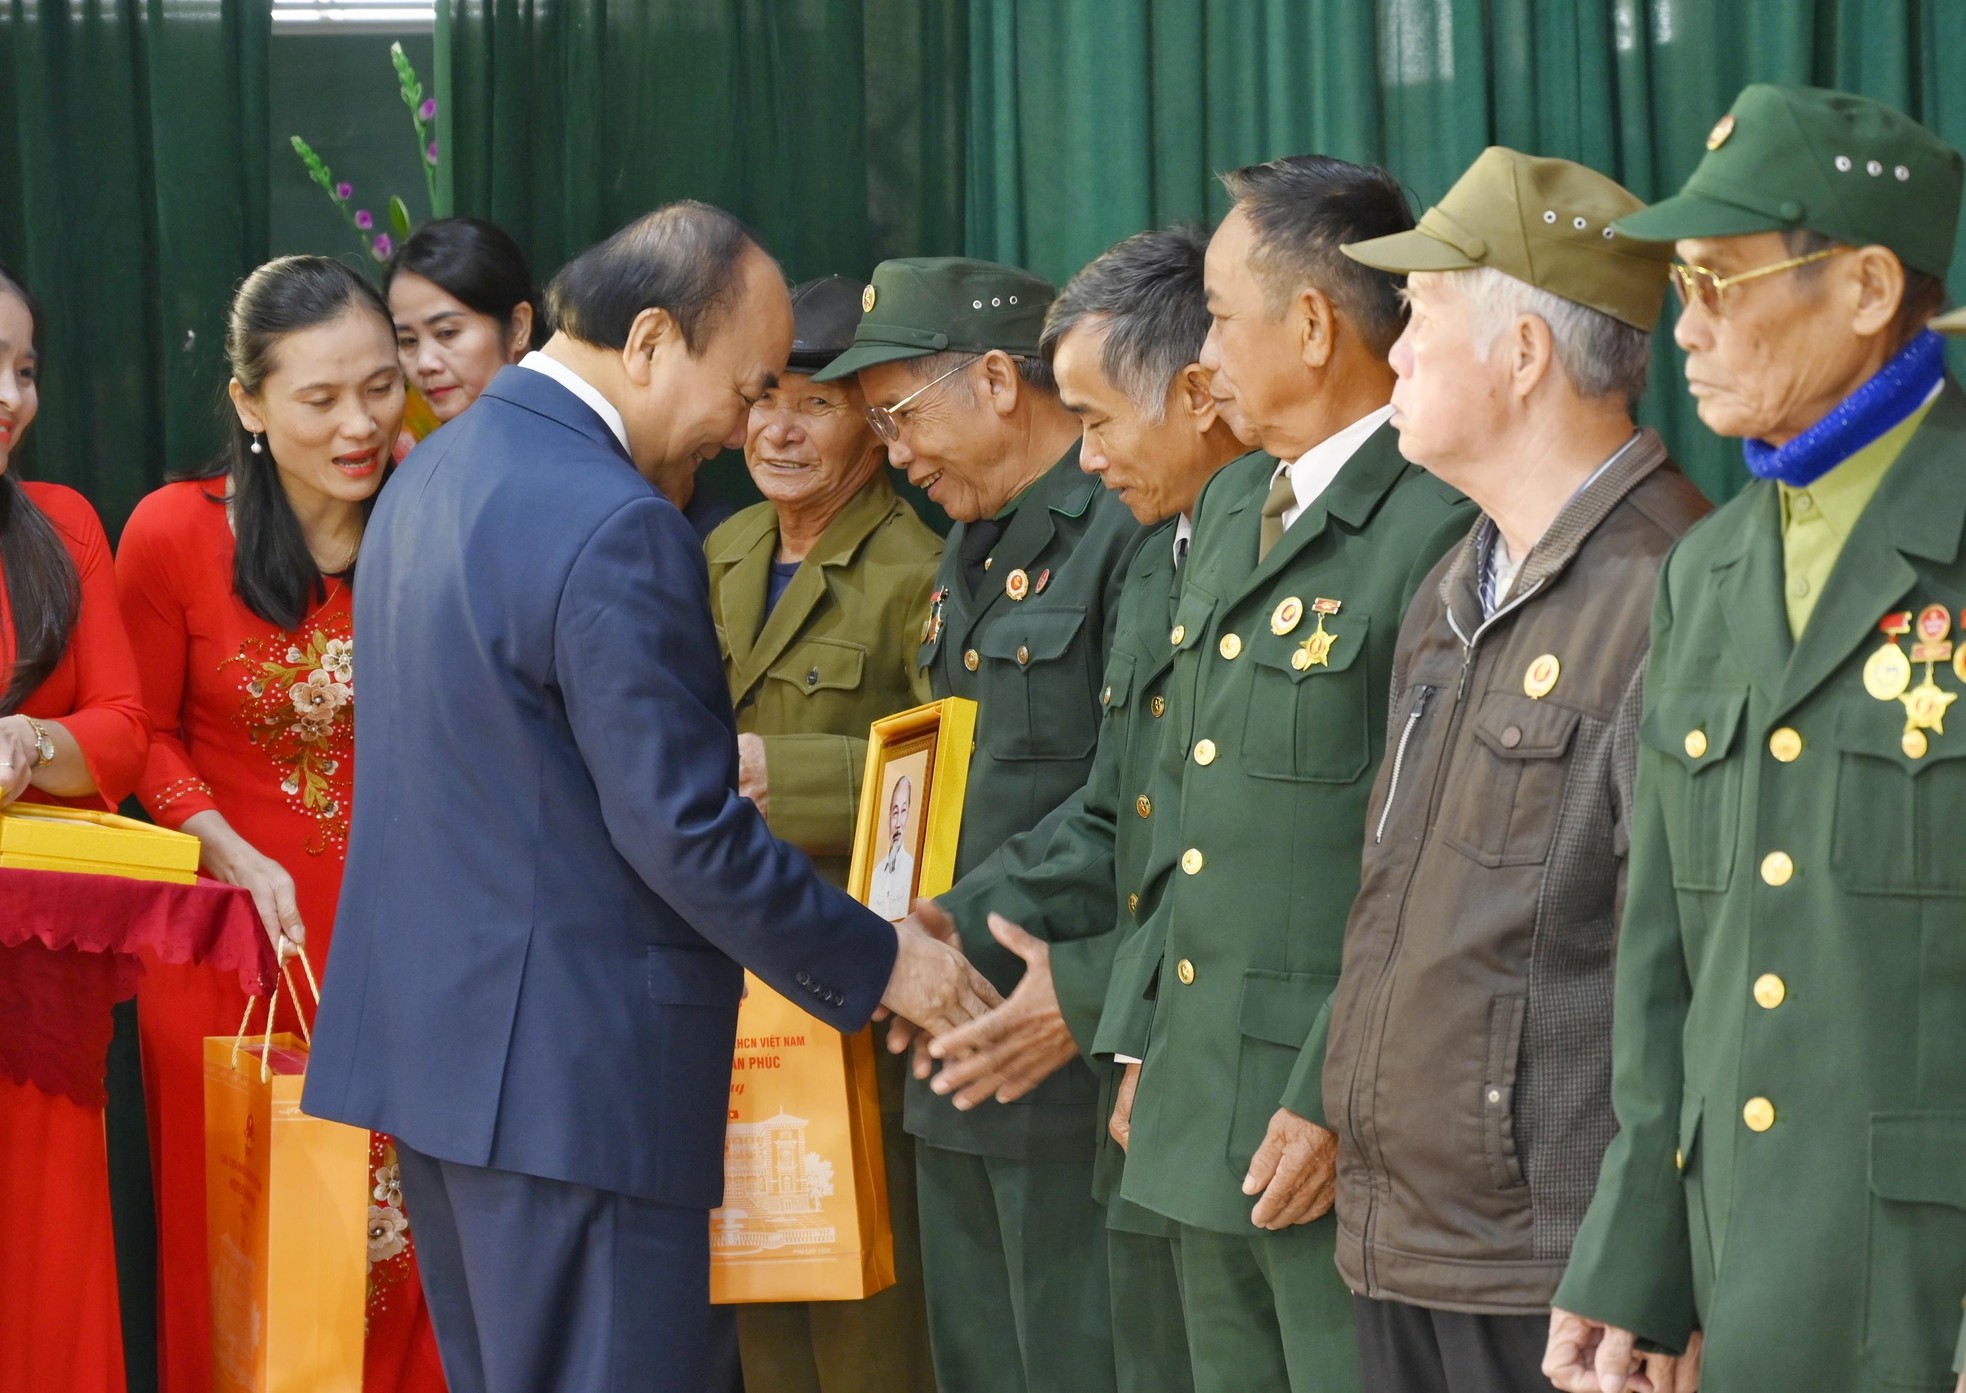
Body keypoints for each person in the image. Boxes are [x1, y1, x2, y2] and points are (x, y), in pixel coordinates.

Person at [301, 202, 998, 1393]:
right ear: (651, 342)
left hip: (444, 1069)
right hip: (578, 1086)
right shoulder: (619, 520)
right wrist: (883, 960)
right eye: (748, 384)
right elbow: (683, 824)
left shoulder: (436, 473)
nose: (745, 428)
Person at [1545, 85, 1966, 1393]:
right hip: (1744, 1274)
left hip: (1920, 1293)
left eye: (1721, 283)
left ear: (1863, 288)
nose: (1685, 328)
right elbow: (1670, 954)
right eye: (1679, 285)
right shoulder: (1711, 568)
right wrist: (1636, 1267)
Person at [1313, 148, 1709, 1393]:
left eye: (1419, 318)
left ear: (1524, 355)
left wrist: (1649, 1271)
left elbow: (1692, 977)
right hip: (1405, 1247)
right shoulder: (1451, 583)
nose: (1390, 359)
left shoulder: (1672, 594)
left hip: (1554, 1282)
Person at [1101, 156, 1473, 1393]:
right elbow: (1179, 805)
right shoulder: (1240, 508)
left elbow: (1424, 854)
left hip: (1328, 1120)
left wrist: (1327, 1095)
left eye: (1216, 310)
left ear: (1311, 324)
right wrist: (1142, 1034)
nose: (1200, 350)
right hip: (1205, 1090)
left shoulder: (1432, 523)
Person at [924, 226, 1248, 1393]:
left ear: (1201, 392)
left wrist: (1091, 984)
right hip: (1140, 1064)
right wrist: (943, 922)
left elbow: (1296, 859)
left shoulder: (1283, 553)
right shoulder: (1167, 553)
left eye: (1100, 421)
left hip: (1240, 1083)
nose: (1089, 458)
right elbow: (1116, 809)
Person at [814, 256, 1143, 1393]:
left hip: (1054, 1033)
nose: (894, 453)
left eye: (901, 416)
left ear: (999, 380)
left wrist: (955, 927)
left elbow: (1126, 798)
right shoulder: (971, 542)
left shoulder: (1122, 529)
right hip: (945, 1027)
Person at [115, 255, 444, 1393]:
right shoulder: (170, 534)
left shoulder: (441, 512)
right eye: (319, 398)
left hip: (414, 933)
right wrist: (233, 849)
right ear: (251, 406)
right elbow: (140, 732)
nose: (360, 423)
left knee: (413, 1247)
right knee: (256, 1251)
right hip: (236, 941)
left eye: (379, 386)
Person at [705, 271, 940, 1393]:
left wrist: (774, 773)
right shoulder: (722, 549)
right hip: (725, 982)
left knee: (862, 1319)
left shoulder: (919, 571)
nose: (779, 429)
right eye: (763, 398)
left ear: (877, 424)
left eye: (819, 402)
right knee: (756, 1302)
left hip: (847, 983)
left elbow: (947, 783)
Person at [0, 262, 150, 1393]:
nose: (11, 395)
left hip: (34, 964)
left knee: (47, 1251)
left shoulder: (61, 525)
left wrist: (27, 746)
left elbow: (123, 728)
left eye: (24, 369)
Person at [386, 215, 542, 455]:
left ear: (518, 326)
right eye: (408, 341)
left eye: (447, 333)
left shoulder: (566, 448)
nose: (425, 363)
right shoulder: (420, 462)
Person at [866, 775, 917, 919]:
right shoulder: (875, 876)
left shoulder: (913, 869)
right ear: (888, 818)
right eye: (895, 813)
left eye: (903, 811)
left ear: (908, 816)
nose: (898, 823)